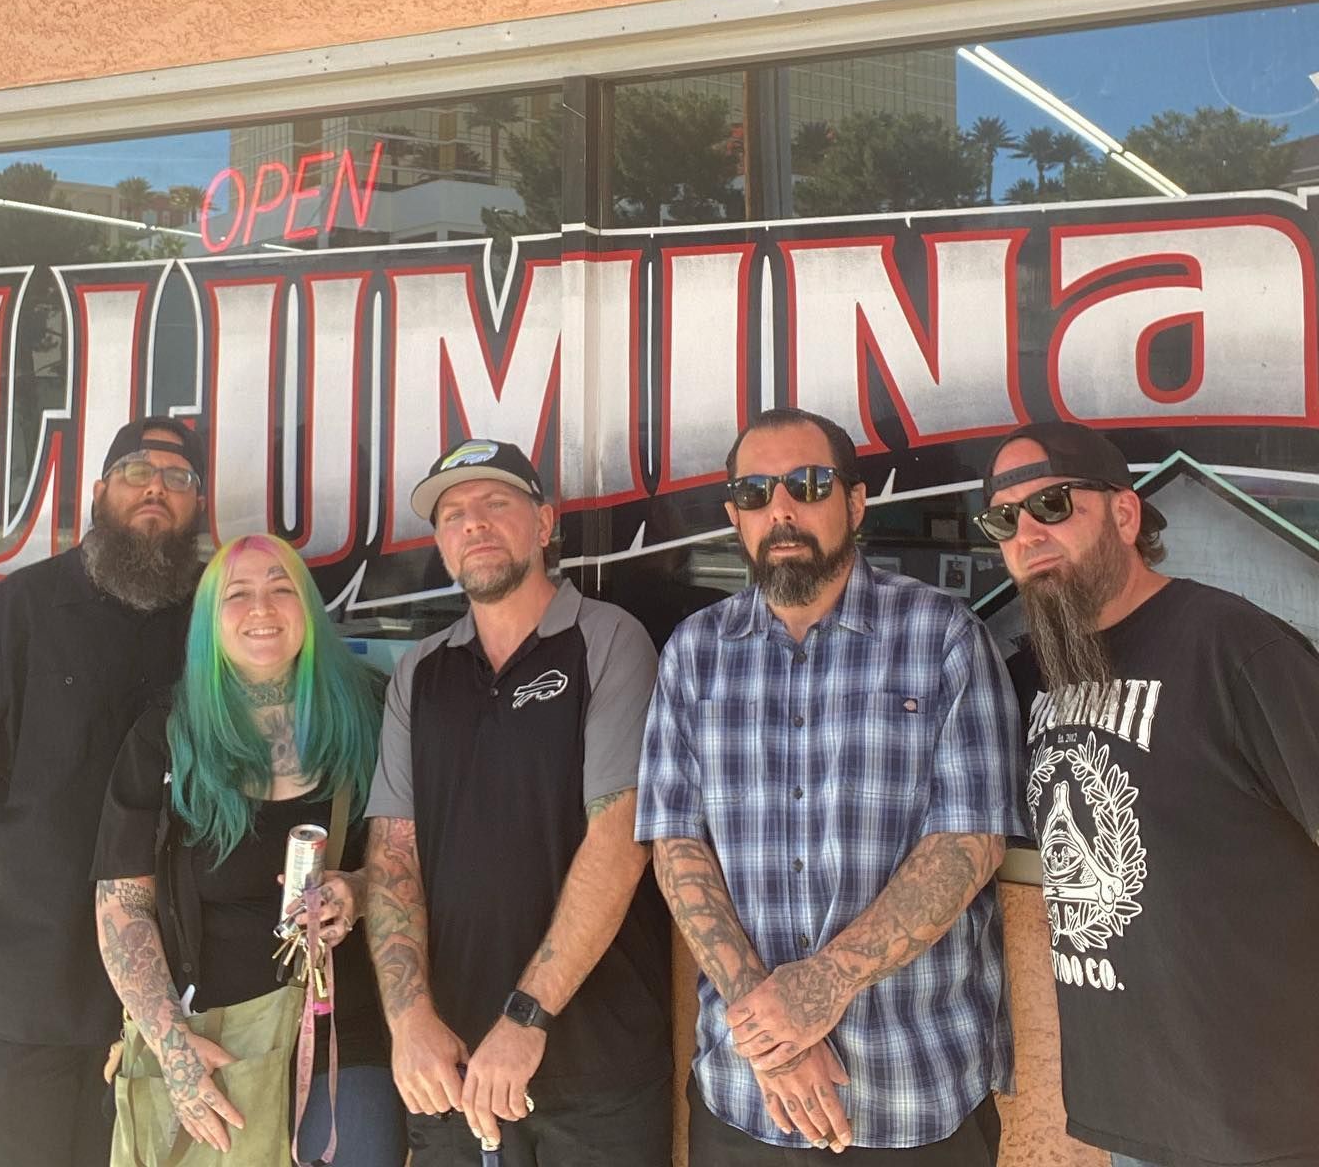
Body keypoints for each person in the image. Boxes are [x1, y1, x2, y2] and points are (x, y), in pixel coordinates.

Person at [637, 406, 1024, 1164]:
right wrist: (772, 1032)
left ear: (854, 503)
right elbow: (677, 845)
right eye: (755, 492)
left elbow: (969, 843)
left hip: (915, 1089)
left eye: (807, 484)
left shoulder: (945, 638)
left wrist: (823, 986)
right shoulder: (695, 654)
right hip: (747, 1096)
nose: (780, 508)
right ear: (734, 517)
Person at [982, 420, 1319, 1167]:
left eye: (1055, 503)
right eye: (1005, 519)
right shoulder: (1032, 677)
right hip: (1131, 1118)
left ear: (1126, 516)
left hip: (1270, 1121)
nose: (1028, 532)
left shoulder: (1236, 649)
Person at [0, 415, 209, 1167]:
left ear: (199, 510)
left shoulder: (215, 618)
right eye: (139, 473)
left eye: (178, 480)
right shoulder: (23, 608)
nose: (156, 491)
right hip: (19, 983)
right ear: (100, 492)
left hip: (161, 995)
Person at [354, 437, 672, 1165]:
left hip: (596, 1066)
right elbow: (394, 853)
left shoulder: (610, 641)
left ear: (545, 523)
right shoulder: (419, 674)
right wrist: (410, 1023)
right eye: (453, 514)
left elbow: (621, 836)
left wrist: (527, 1016)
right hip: (451, 1066)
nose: (474, 523)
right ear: (439, 542)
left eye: (496, 503)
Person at [92, 533, 403, 1166]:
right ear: (210, 623)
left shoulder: (371, 711)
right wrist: (173, 1049)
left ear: (309, 610)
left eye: (280, 589)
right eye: (238, 594)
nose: (262, 608)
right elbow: (121, 905)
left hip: (349, 1036)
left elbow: (413, 859)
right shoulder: (169, 735)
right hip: (216, 1039)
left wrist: (362, 890)